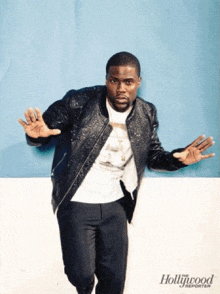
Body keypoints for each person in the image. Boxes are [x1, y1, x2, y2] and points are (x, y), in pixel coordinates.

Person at [18, 52, 214, 294]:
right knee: (81, 275)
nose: (121, 88)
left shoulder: (146, 113)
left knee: (114, 282)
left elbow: (153, 156)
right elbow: (45, 128)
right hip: (77, 202)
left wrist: (179, 159)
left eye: (128, 82)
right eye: (114, 81)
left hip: (115, 206)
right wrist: (35, 136)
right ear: (107, 80)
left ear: (138, 82)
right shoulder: (79, 101)